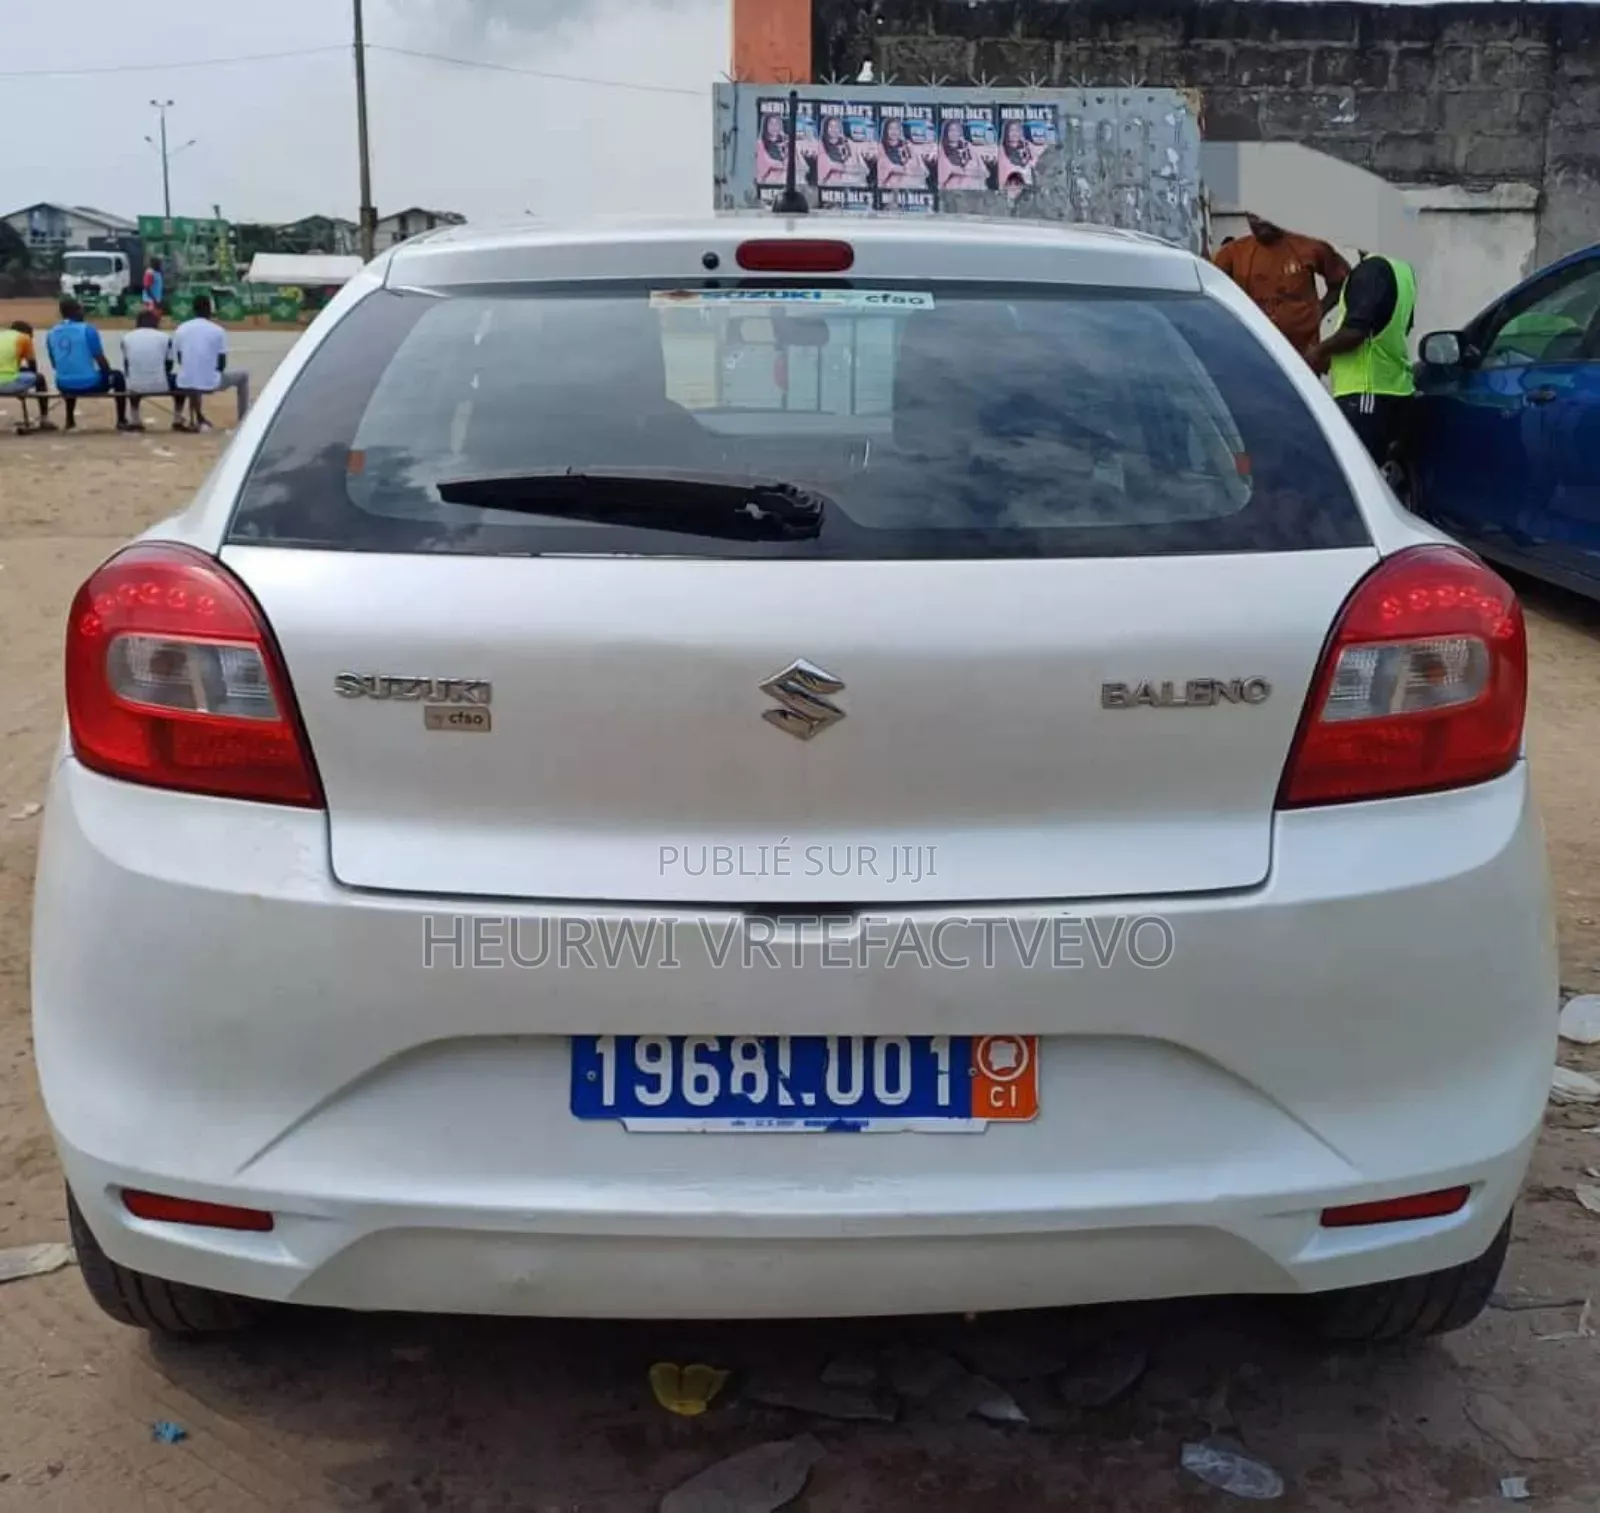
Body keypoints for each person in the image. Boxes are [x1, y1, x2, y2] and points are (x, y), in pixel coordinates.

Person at [1306, 249, 1418, 484]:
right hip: (1395, 388)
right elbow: (1392, 330)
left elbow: (1356, 332)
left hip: (1366, 394)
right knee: (1381, 482)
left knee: (1357, 479)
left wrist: (1320, 351)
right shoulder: (1404, 271)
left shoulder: (1370, 271)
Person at [1213, 214, 1350, 364]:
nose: (1261, 221)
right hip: (1253, 352)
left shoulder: (1308, 246)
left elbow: (1343, 280)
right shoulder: (1233, 252)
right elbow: (1209, 287)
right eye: (1254, 216)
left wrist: (1319, 311)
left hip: (1301, 354)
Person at [46, 298, 129, 431]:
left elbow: (54, 363)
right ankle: (121, 420)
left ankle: (70, 420)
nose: (83, 312)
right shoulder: (88, 330)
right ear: (75, 311)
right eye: (81, 309)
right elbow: (100, 359)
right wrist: (106, 375)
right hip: (90, 384)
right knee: (118, 376)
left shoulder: (51, 333)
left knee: (69, 373)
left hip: (63, 384)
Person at [171, 295, 248, 431]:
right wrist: (211, 373)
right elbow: (222, 363)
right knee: (243, 376)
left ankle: (198, 416)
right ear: (210, 310)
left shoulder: (181, 328)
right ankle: (244, 418)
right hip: (210, 382)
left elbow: (180, 359)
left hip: (185, 381)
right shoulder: (218, 330)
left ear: (193, 309)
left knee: (193, 374)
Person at [120, 307, 173, 433]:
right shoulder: (165, 337)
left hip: (135, 385)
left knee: (134, 380)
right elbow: (169, 364)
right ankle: (178, 418)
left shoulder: (127, 337)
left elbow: (127, 364)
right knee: (181, 381)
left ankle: (135, 418)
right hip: (160, 383)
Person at [0, 320, 56, 432]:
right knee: (40, 379)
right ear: (27, 333)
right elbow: (33, 368)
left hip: (6, 373)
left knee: (23, 372)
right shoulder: (24, 338)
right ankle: (44, 418)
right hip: (6, 382)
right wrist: (24, 388)